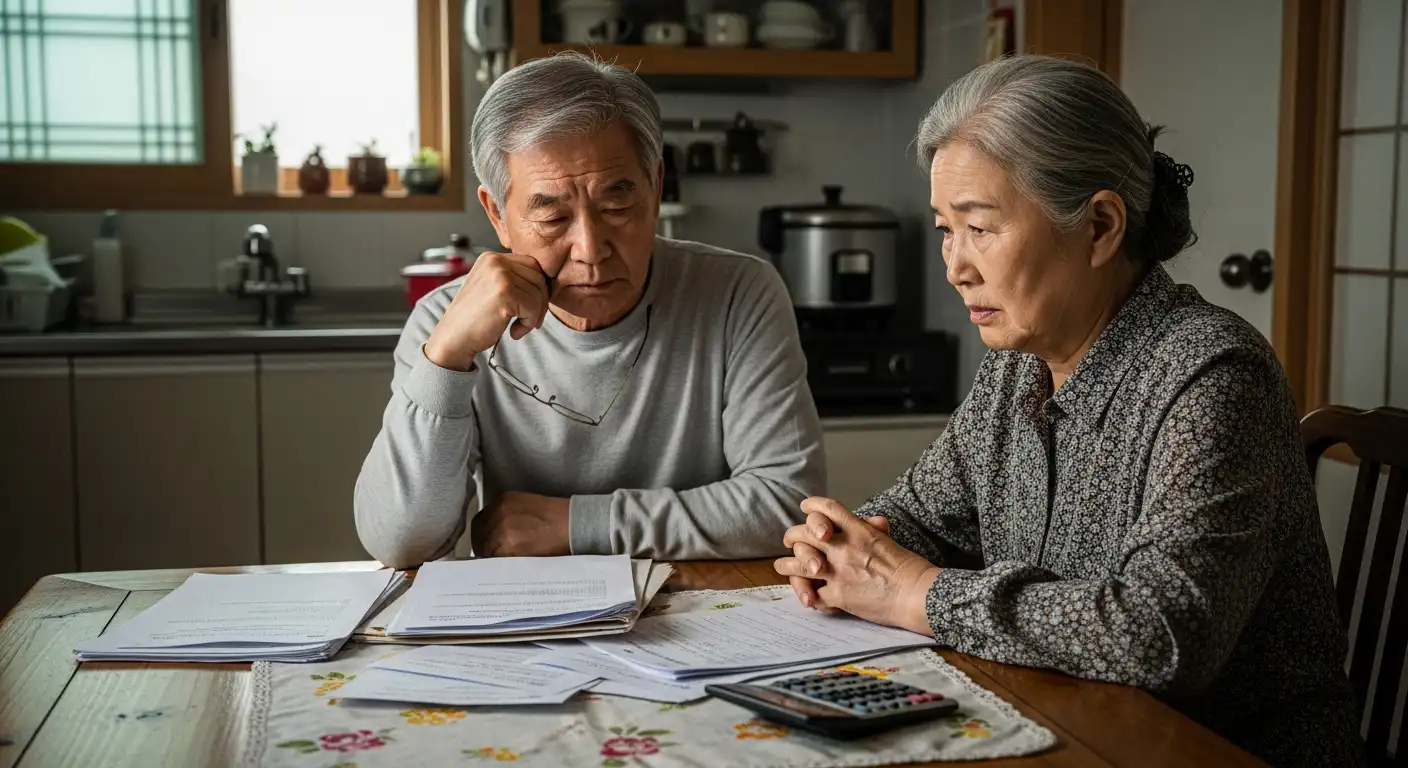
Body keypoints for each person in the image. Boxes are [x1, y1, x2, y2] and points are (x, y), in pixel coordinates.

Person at [774, 55, 1363, 768]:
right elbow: (917, 518)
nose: (955, 265)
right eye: (944, 229)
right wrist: (838, 549)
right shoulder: (1016, 367)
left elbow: (1157, 636)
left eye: (980, 227)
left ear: (1101, 225)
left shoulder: (1213, 374)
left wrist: (917, 593)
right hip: (1069, 721)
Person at [355, 51, 824, 569]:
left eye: (617, 207)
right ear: (497, 214)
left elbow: (786, 504)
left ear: (656, 187)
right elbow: (400, 543)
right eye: (553, 217)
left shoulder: (738, 293)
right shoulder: (445, 323)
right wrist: (446, 356)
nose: (590, 248)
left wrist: (573, 524)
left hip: (700, 613)